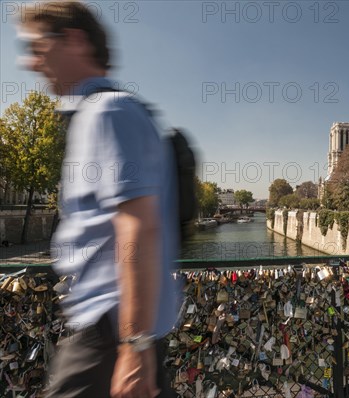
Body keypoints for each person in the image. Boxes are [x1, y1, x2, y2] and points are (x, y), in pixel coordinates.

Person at [17, 2, 180, 397]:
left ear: (73, 40)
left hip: (108, 337)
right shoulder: (100, 113)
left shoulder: (109, 112)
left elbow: (137, 225)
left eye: (37, 48)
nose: (31, 63)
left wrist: (134, 345)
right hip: (110, 333)